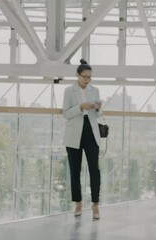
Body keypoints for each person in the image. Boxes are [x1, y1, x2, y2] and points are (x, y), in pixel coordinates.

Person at [62, 59, 102, 220]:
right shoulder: (69, 91)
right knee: (75, 170)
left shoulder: (95, 90)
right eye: (85, 77)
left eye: (90, 77)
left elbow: (98, 115)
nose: (87, 80)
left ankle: (95, 205)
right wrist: (80, 107)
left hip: (91, 132)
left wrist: (98, 109)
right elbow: (66, 113)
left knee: (95, 170)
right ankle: (78, 202)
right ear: (78, 76)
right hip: (74, 134)